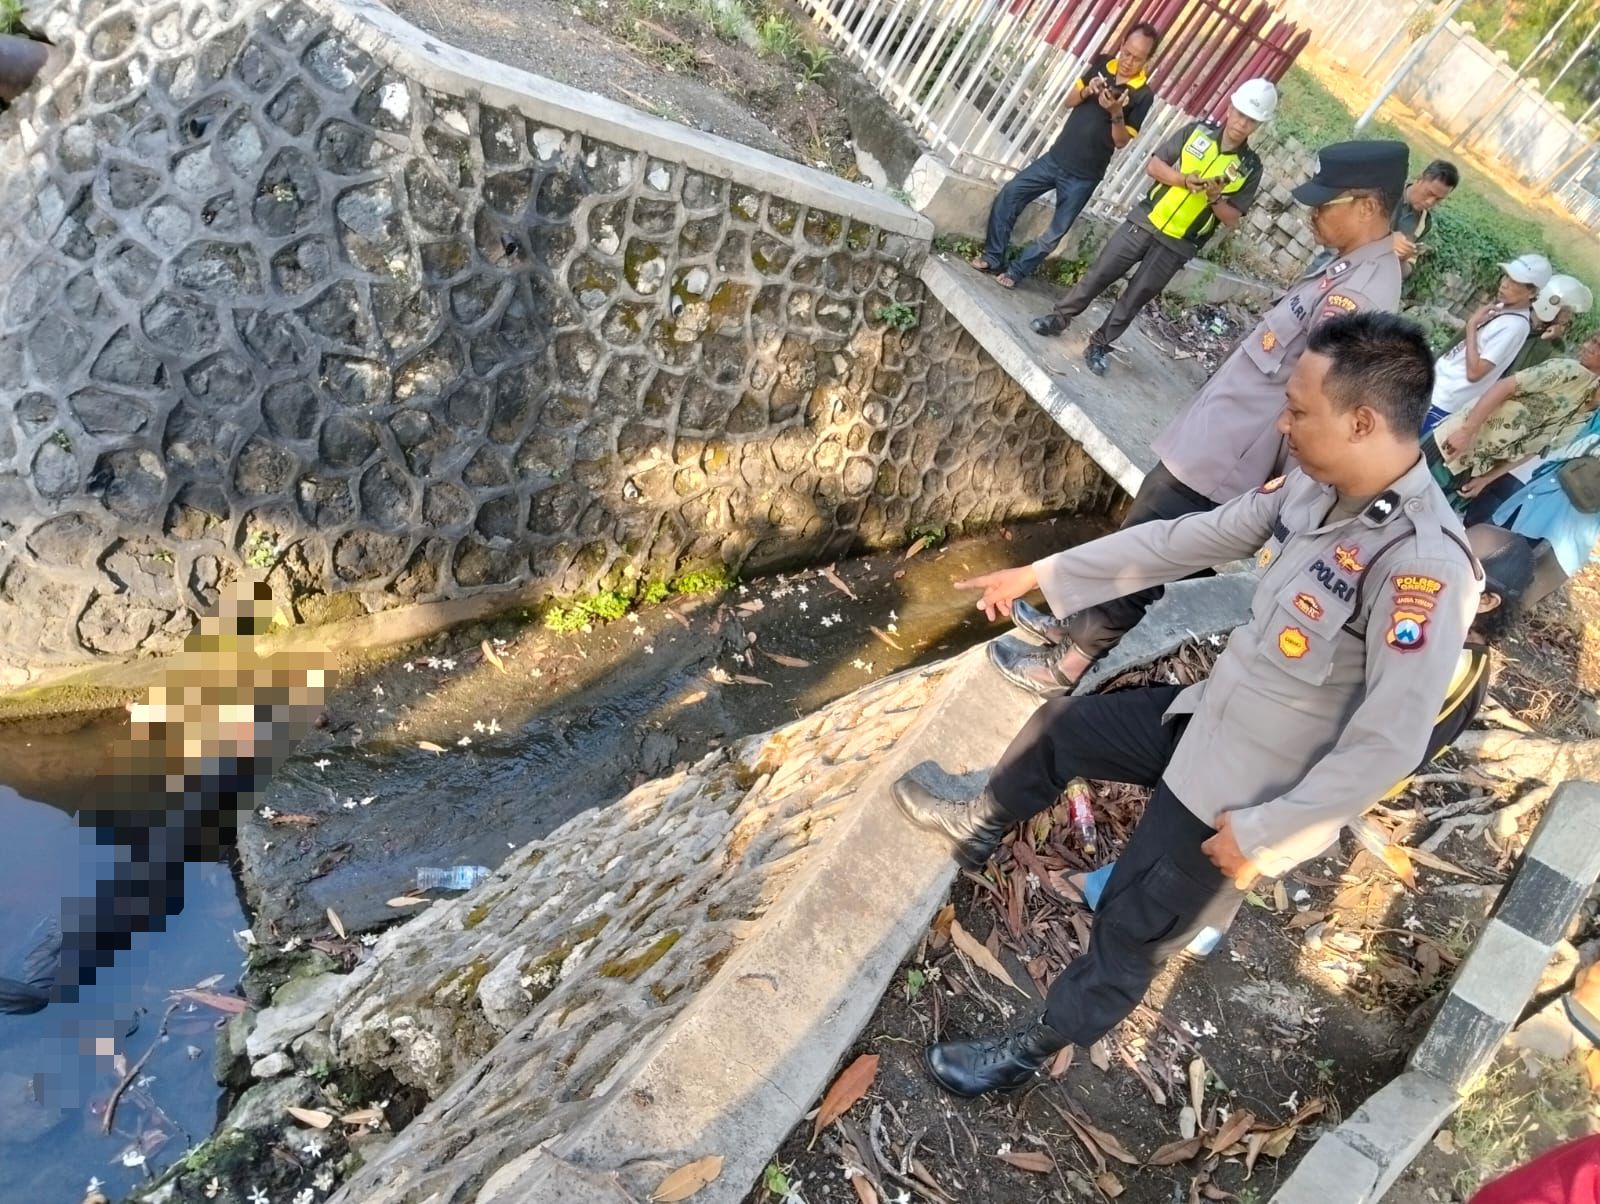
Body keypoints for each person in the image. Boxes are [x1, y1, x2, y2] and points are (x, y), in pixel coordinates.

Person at [891, 312, 1482, 1098]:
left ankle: (1023, 1055)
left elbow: (1391, 741)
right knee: (1066, 728)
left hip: (1245, 791)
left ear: (1363, 421)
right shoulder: (1319, 482)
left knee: (1128, 933)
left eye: (1300, 410)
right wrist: (1047, 571)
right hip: (1207, 716)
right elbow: (1187, 539)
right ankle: (979, 823)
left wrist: (1267, 838)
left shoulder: (1425, 566)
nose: (1283, 421)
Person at [994, 140, 1409, 697]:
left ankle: (1068, 663)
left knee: (1150, 549)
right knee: (1141, 529)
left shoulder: (1361, 291)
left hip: (1234, 453)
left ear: (1366, 206)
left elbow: (1316, 397)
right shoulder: (1350, 267)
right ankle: (1072, 625)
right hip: (1221, 434)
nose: (1313, 212)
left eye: (1326, 202)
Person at [1066, 521, 1534, 947]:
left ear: (1487, 600)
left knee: (1224, 837)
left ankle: (1130, 901)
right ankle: (1202, 927)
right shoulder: (1437, 639)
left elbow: (1394, 747)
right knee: (1233, 841)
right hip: (1307, 750)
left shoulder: (1450, 668)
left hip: (1317, 765)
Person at [1029, 78, 1278, 376]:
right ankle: (1059, 319)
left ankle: (1099, 345)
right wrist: (1183, 180)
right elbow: (1154, 165)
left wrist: (1214, 198)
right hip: (1145, 220)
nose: (1241, 123)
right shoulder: (1196, 132)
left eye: (1251, 120)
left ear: (1258, 126)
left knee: (1134, 298)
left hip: (1179, 243)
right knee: (1098, 275)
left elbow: (1232, 217)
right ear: (1230, 108)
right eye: (1240, 114)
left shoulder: (1250, 167)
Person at [969, 24, 1159, 288]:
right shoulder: (1103, 63)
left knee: (1053, 234)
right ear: (1122, 43)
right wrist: (1087, 91)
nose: (1128, 62)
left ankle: (1016, 272)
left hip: (1085, 175)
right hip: (1056, 157)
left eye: (1137, 58)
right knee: (1010, 194)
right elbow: (1069, 101)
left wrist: (1115, 111)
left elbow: (1121, 142)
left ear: (1148, 60)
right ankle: (993, 256)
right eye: (1126, 53)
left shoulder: (1143, 95)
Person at [1425, 334, 1600, 517]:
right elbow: (1506, 386)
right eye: (1593, 340)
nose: (1587, 345)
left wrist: (1487, 479)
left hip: (1476, 471)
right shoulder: (1569, 371)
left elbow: (1534, 449)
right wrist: (1466, 431)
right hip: (1454, 447)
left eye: (1597, 345)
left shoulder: (1588, 418)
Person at [1421, 253, 1552, 433]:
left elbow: (1475, 373)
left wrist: (1472, 326)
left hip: (1444, 399)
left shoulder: (1514, 327)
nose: (1504, 284)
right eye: (1506, 276)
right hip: (1434, 383)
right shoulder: (1501, 309)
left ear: (1532, 292)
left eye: (1515, 282)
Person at [1509, 273, 1594, 375]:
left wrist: (1549, 341)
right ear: (1549, 306)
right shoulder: (1515, 323)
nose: (1569, 318)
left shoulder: (1557, 345)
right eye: (1566, 312)